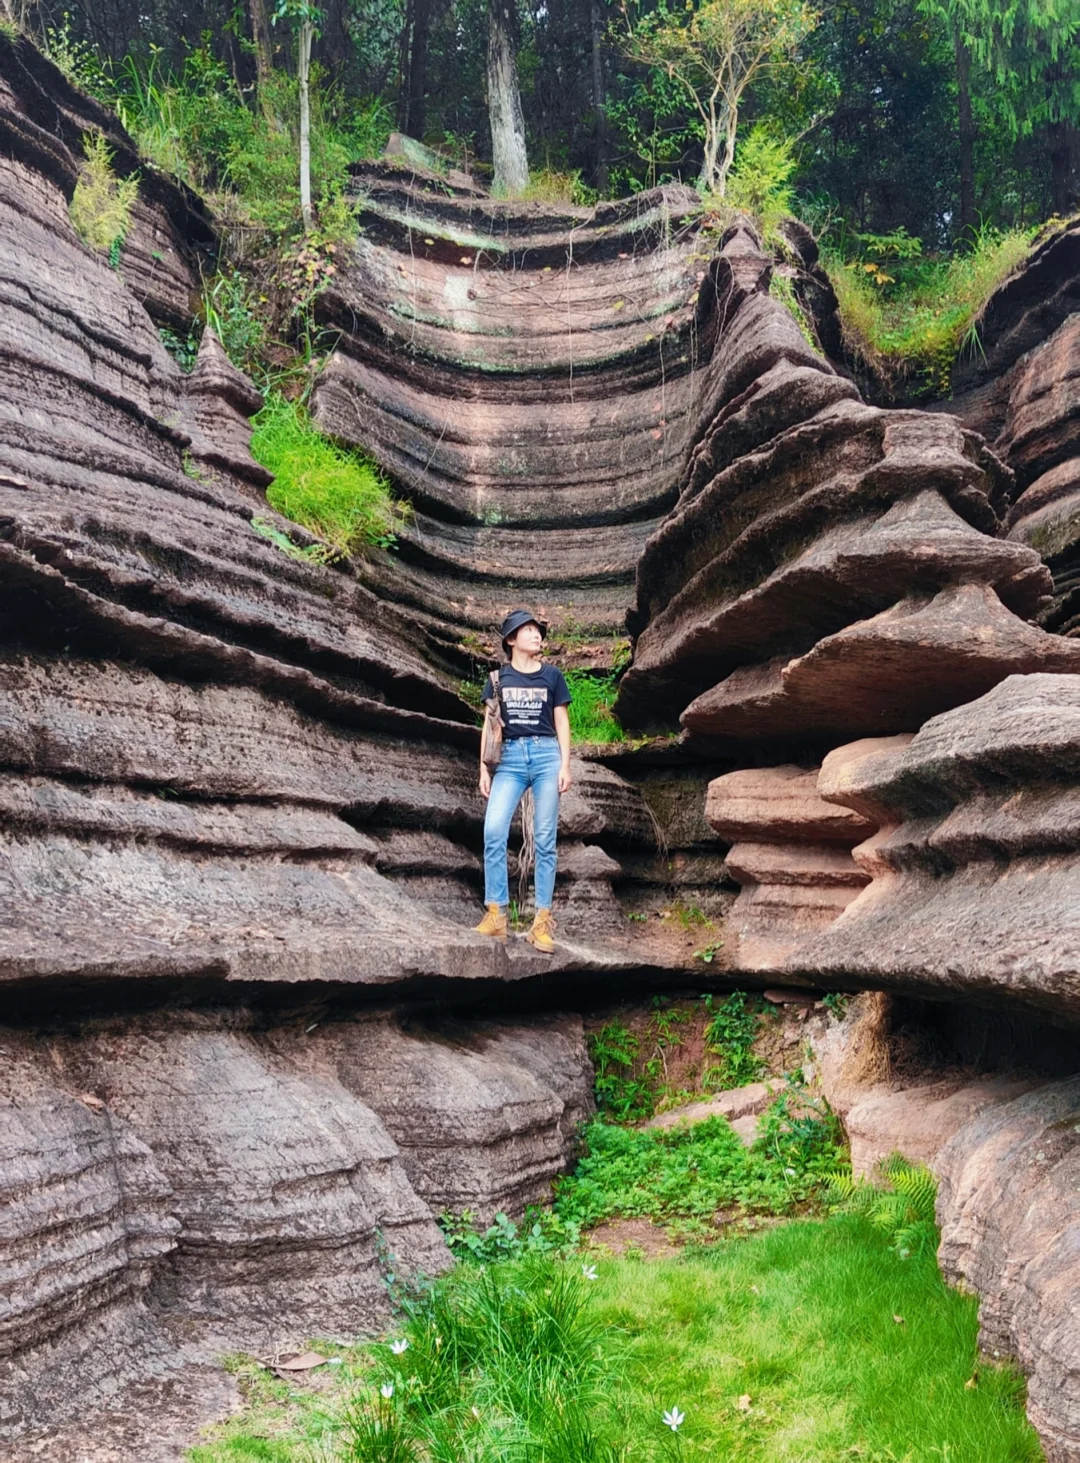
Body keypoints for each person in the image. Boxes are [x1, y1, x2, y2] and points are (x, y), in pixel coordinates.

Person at [474, 609, 572, 952]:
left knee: (545, 840)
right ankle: (497, 915)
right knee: (494, 830)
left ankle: (541, 924)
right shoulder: (498, 679)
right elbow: (489, 726)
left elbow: (561, 722)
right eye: (528, 630)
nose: (537, 635)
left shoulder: (553, 676)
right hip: (511, 759)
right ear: (511, 640)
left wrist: (565, 764)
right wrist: (483, 768)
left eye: (538, 631)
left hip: (546, 756)